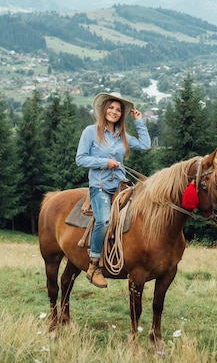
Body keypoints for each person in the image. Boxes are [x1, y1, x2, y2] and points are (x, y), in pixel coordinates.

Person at [75, 92, 151, 288]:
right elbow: (80, 158)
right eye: (111, 107)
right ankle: (94, 266)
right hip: (99, 186)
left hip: (121, 185)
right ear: (103, 110)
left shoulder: (123, 135)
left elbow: (145, 145)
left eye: (118, 109)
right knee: (104, 219)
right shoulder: (91, 132)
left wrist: (139, 121)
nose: (114, 112)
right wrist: (105, 162)